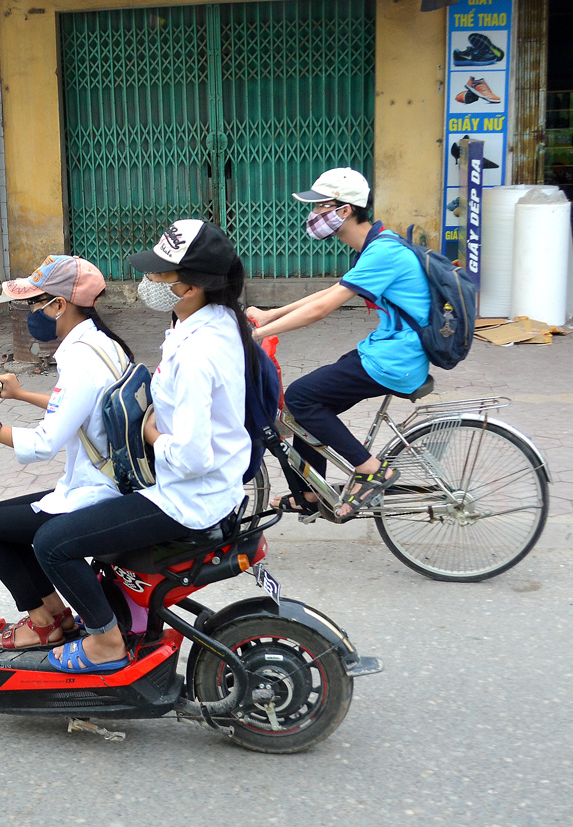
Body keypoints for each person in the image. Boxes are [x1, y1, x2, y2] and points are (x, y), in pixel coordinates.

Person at [32, 219, 255, 673]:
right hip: (209, 485)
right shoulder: (211, 320)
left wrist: (153, 436)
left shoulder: (198, 353)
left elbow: (191, 457)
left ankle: (104, 645)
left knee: (53, 543)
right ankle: (118, 619)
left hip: (187, 496)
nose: (148, 282)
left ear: (190, 286)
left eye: (159, 275)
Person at [0, 255, 133, 649]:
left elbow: (43, 444)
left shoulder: (82, 358)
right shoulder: (98, 343)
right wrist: (18, 393)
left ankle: (42, 622)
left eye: (36, 302)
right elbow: (71, 408)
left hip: (96, 490)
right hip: (97, 479)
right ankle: (56, 616)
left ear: (59, 305)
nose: (31, 311)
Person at [246, 167, 431, 518]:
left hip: (396, 359)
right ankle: (310, 495)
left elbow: (320, 309)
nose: (313, 215)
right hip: (388, 349)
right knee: (303, 407)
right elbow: (331, 291)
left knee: (301, 396)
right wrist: (270, 316)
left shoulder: (383, 253)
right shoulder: (376, 245)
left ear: (344, 210)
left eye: (319, 207)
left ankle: (372, 470)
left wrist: (256, 335)